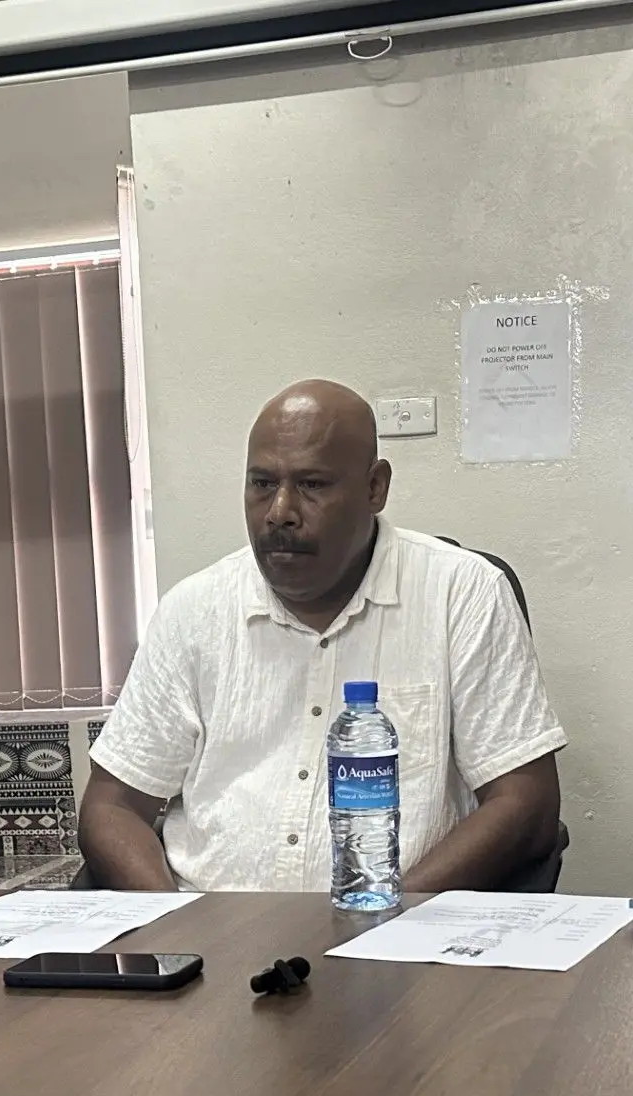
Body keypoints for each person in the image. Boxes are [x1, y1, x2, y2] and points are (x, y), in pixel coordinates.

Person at [81, 378, 565, 892]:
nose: (280, 512)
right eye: (262, 483)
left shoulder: (461, 593)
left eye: (312, 485)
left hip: (396, 936)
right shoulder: (193, 611)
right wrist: (176, 927)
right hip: (211, 939)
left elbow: (525, 803)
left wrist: (390, 914)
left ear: (375, 487)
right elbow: (111, 807)